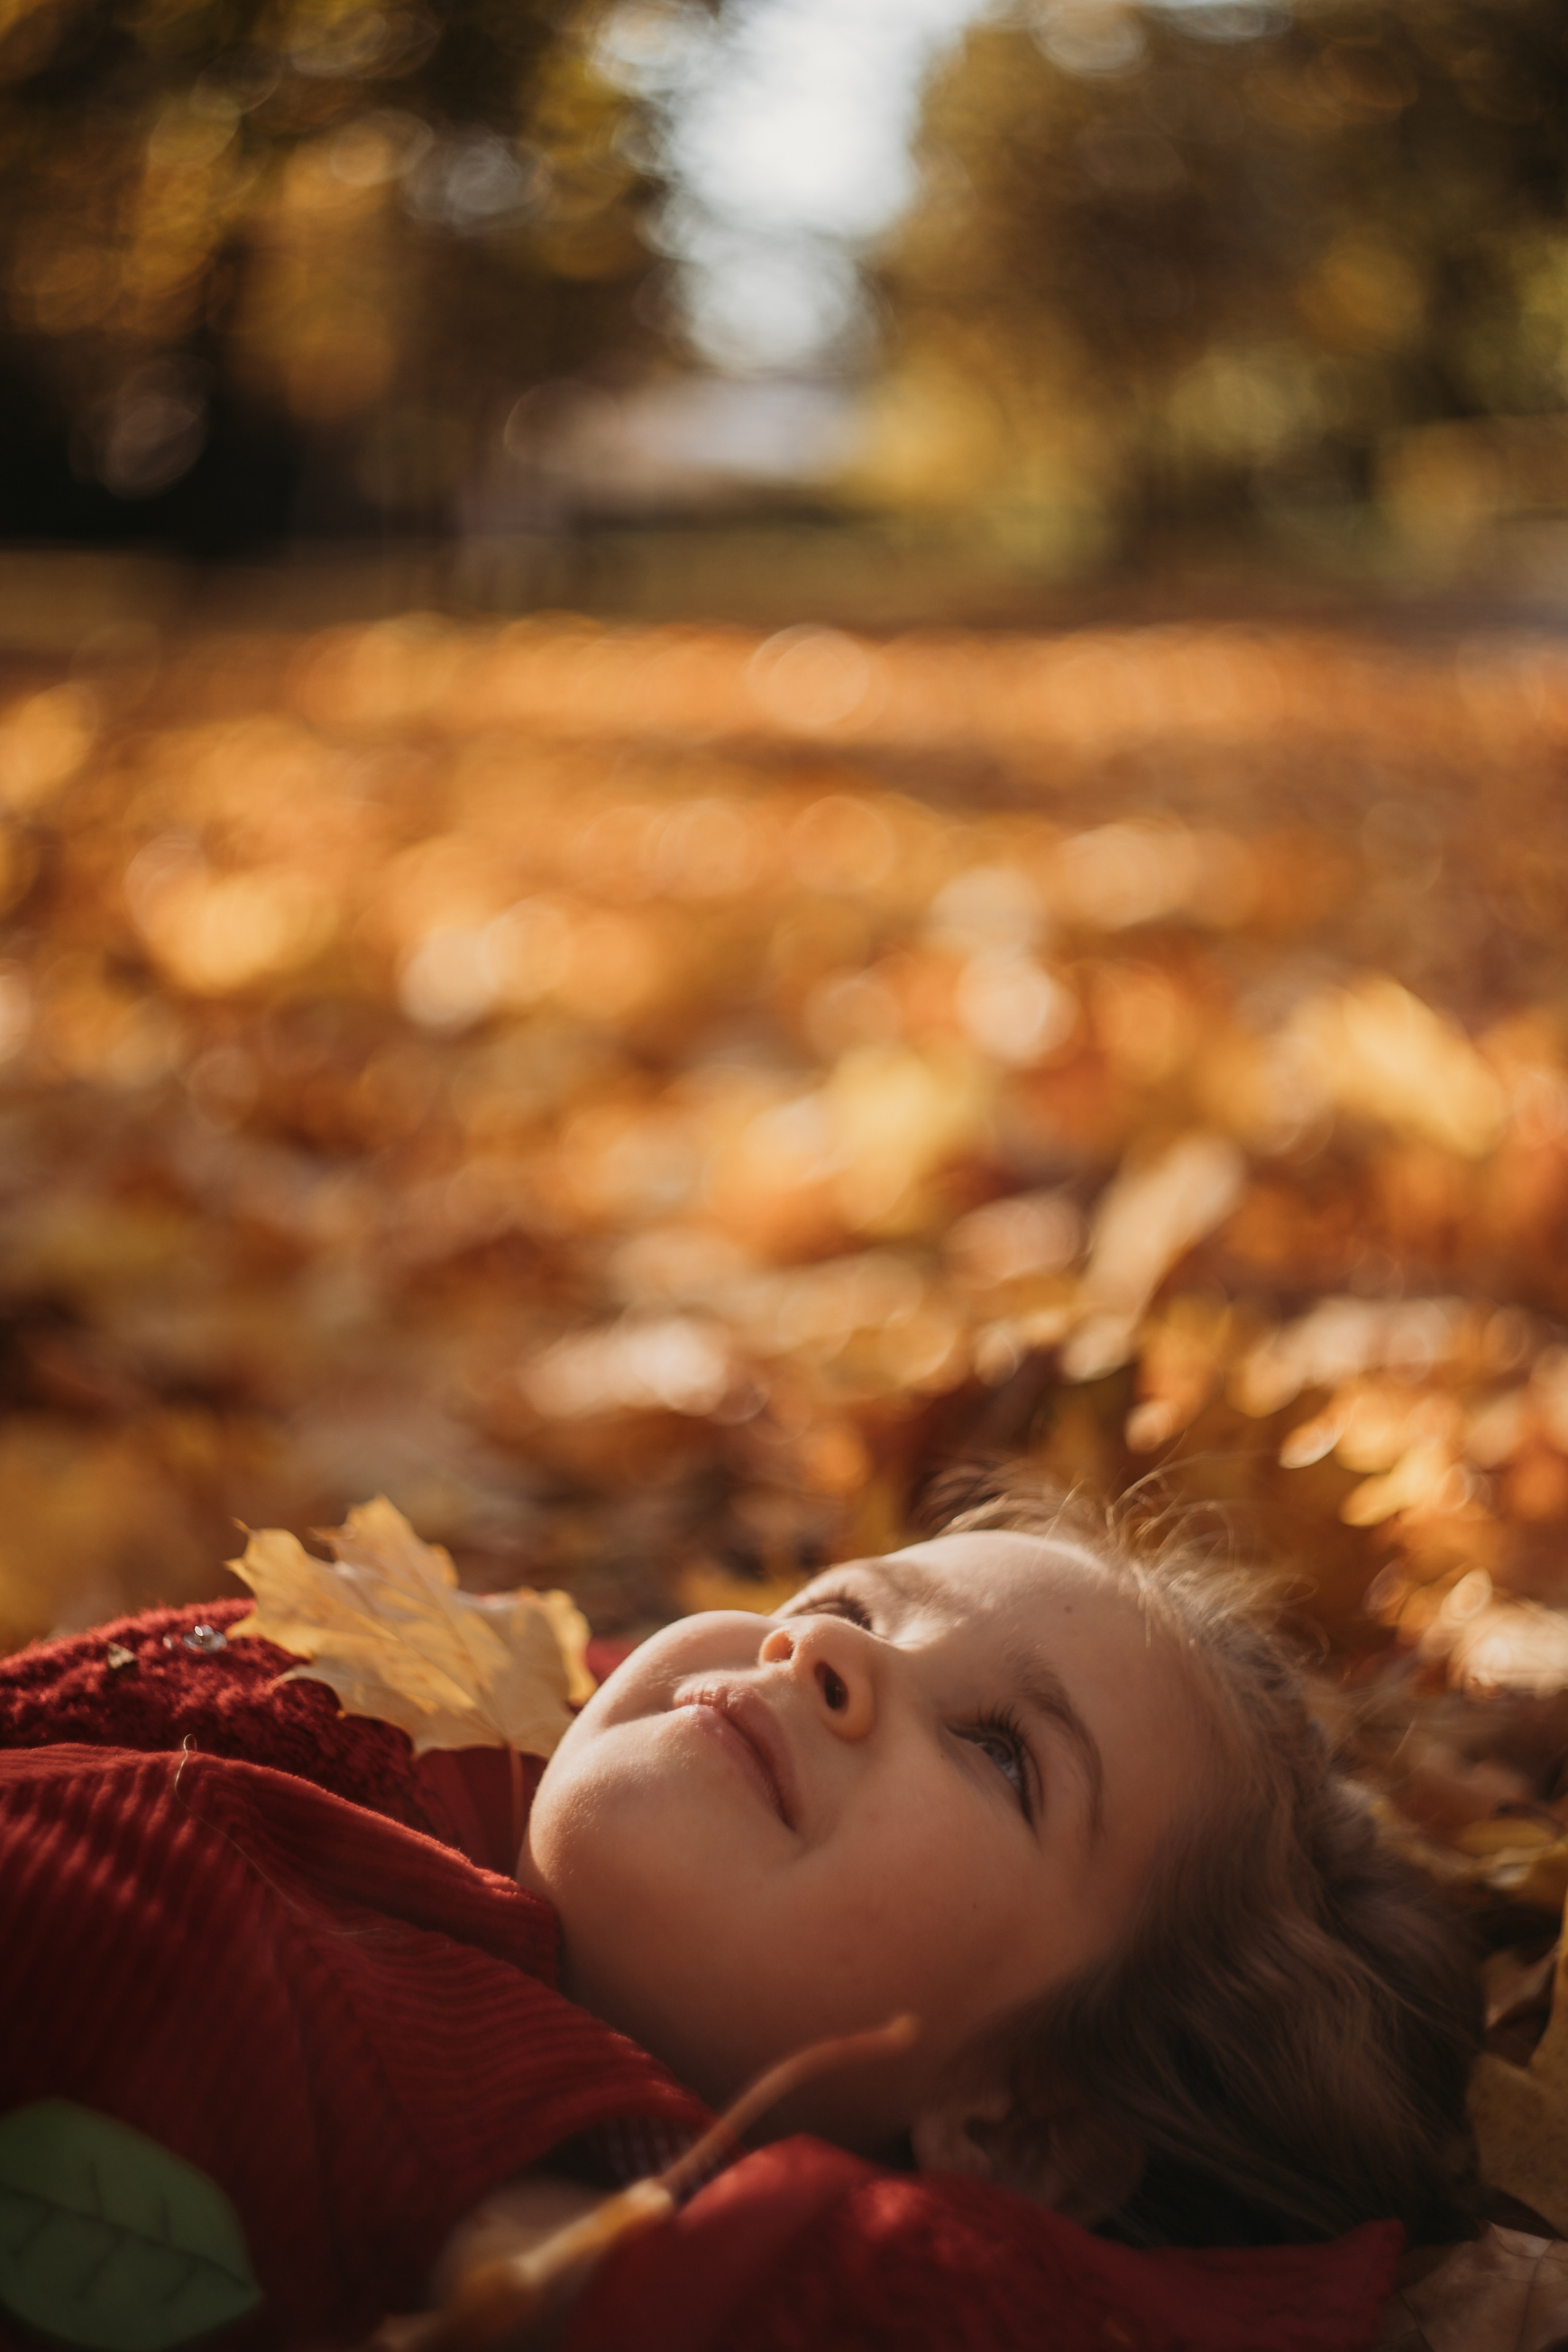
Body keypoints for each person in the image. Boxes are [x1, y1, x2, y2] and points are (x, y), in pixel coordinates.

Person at [0, 1472, 1480, 2351]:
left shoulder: (645, 2248)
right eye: (847, 1602)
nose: (820, 1656)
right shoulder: (372, 1720)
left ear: (1025, 2128)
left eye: (998, 1753)